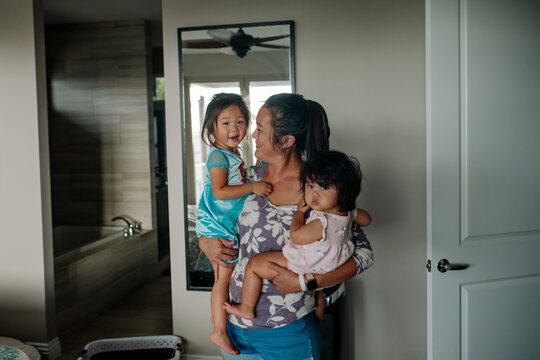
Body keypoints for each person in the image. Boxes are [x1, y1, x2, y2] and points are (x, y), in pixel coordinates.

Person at [199, 93, 373, 360]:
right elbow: (214, 214)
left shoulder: (317, 188)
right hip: (235, 327)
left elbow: (363, 255)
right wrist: (205, 242)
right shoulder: (248, 179)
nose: (252, 135)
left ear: (287, 140)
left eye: (260, 128)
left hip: (286, 331)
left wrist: (308, 282)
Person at [223, 150, 371, 321]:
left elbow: (297, 237)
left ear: (343, 191)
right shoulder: (347, 213)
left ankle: (246, 307)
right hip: (328, 265)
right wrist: (351, 209)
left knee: (254, 265)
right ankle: (317, 313)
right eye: (310, 186)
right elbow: (367, 219)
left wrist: (299, 214)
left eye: (323, 187)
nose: (314, 194)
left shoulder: (322, 222)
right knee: (318, 300)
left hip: (305, 263)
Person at [195, 93, 273, 355]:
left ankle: (218, 315)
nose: (235, 129)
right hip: (217, 226)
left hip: (222, 224)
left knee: (221, 278)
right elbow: (219, 192)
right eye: (226, 123)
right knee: (222, 280)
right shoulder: (218, 156)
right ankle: (218, 330)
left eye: (240, 122)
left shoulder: (232, 156)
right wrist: (253, 187)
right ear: (212, 128)